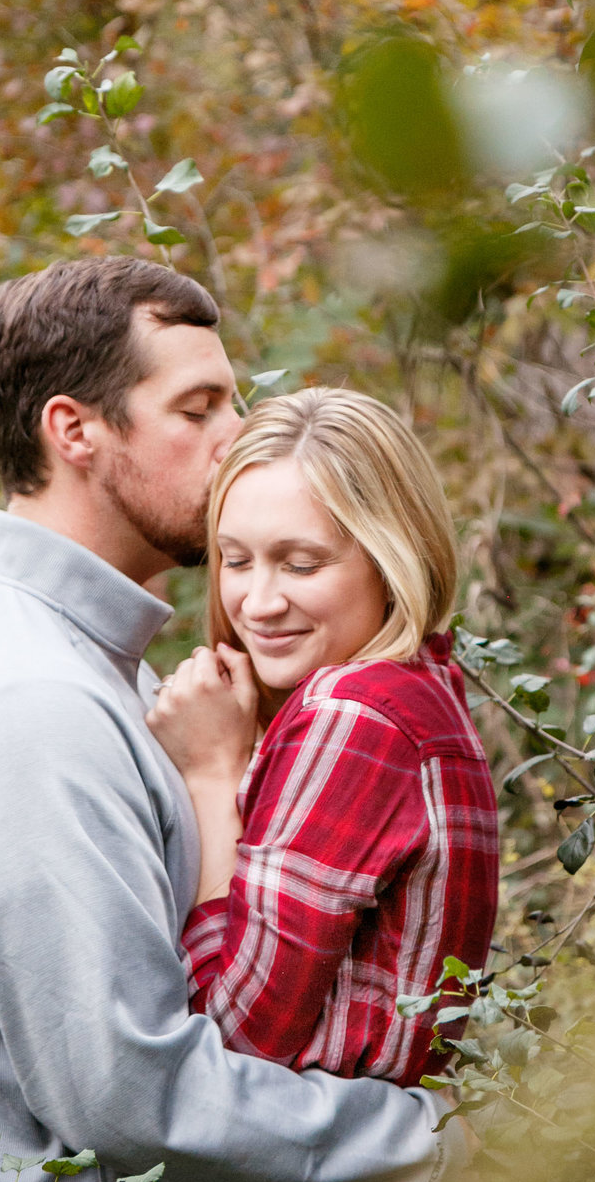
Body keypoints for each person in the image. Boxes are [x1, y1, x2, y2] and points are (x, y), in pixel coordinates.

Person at [0, 257, 468, 1182]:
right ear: (76, 432)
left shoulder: (107, 677)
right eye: (199, 407)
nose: (237, 440)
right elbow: (133, 1092)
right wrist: (433, 1149)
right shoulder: (28, 702)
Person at [147, 389, 499, 1091]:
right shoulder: (425, 690)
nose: (259, 601)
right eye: (236, 560)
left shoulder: (354, 714)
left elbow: (231, 1046)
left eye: (301, 564)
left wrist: (214, 776)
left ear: (391, 556)